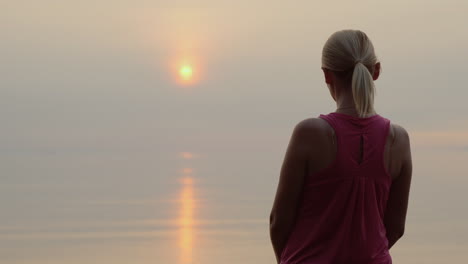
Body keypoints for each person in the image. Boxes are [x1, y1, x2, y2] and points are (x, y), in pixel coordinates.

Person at [269, 29, 413, 264]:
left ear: (327, 75)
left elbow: (279, 221)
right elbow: (395, 228)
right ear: (376, 71)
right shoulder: (398, 140)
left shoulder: (309, 134)